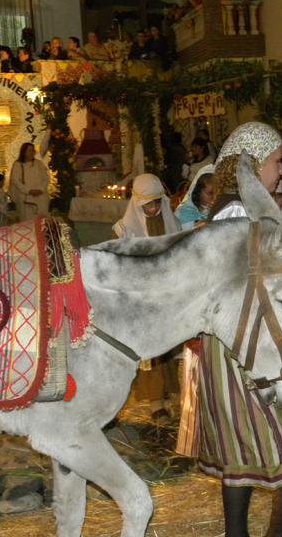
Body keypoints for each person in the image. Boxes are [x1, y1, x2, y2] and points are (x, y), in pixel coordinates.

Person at [201, 121, 282, 537]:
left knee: (240, 447)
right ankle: (278, 531)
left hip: (236, 344)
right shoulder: (239, 213)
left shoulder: (239, 208)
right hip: (250, 348)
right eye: (277, 161)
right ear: (254, 164)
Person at [112, 173, 181, 419]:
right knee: (150, 352)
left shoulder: (171, 222)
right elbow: (120, 265)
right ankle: (155, 401)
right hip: (142, 299)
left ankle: (170, 392)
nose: (152, 209)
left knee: (168, 349)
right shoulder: (124, 230)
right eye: (147, 205)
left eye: (156, 203)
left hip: (167, 296)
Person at [8, 142, 50, 221]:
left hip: (41, 196)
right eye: (30, 150)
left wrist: (41, 189)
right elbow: (15, 180)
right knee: (27, 221)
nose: (32, 152)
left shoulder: (39, 163)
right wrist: (29, 191)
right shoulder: (18, 164)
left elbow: (46, 178)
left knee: (41, 221)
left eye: (33, 150)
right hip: (26, 197)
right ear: (24, 152)